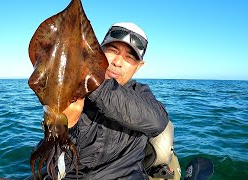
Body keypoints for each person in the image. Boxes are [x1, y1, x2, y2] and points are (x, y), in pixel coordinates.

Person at [45, 22, 176, 180]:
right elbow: (54, 160)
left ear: (139, 66)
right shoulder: (71, 91)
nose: (117, 62)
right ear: (99, 51)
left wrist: (91, 82)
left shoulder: (141, 93)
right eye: (113, 50)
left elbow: (157, 121)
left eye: (129, 57)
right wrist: (67, 126)